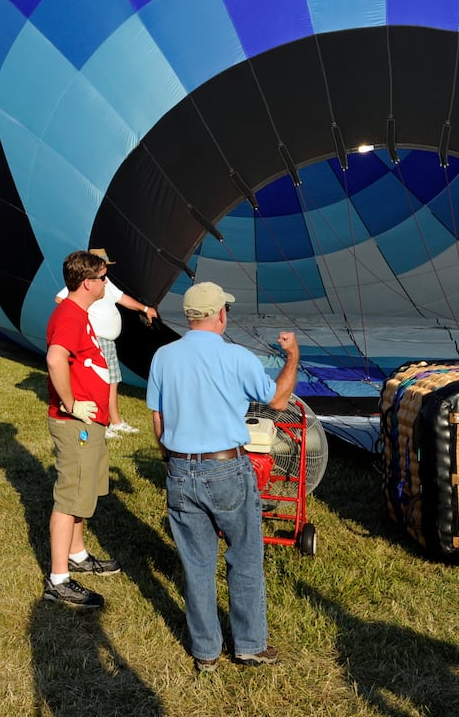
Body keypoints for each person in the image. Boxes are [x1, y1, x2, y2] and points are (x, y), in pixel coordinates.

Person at [147, 281, 298, 671]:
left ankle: (206, 652)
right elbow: (278, 401)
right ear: (221, 314)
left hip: (180, 466)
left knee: (196, 565)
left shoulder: (163, 356)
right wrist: (292, 357)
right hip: (226, 467)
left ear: (189, 316)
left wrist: (170, 460)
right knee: (244, 558)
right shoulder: (237, 357)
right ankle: (249, 645)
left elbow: (158, 418)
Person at [41, 250, 119, 609]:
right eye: (102, 278)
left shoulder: (78, 313)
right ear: (88, 283)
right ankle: (58, 580)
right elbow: (55, 358)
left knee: (83, 492)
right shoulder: (70, 316)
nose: (106, 283)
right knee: (70, 497)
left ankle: (77, 554)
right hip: (76, 424)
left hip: (89, 422)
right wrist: (72, 404)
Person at [54, 248, 157, 438]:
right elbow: (61, 298)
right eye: (103, 268)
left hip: (108, 341)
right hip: (98, 339)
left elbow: (122, 298)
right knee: (101, 381)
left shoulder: (105, 283)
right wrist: (85, 319)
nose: (106, 273)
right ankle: (102, 423)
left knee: (112, 381)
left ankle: (114, 421)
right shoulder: (86, 285)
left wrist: (145, 308)